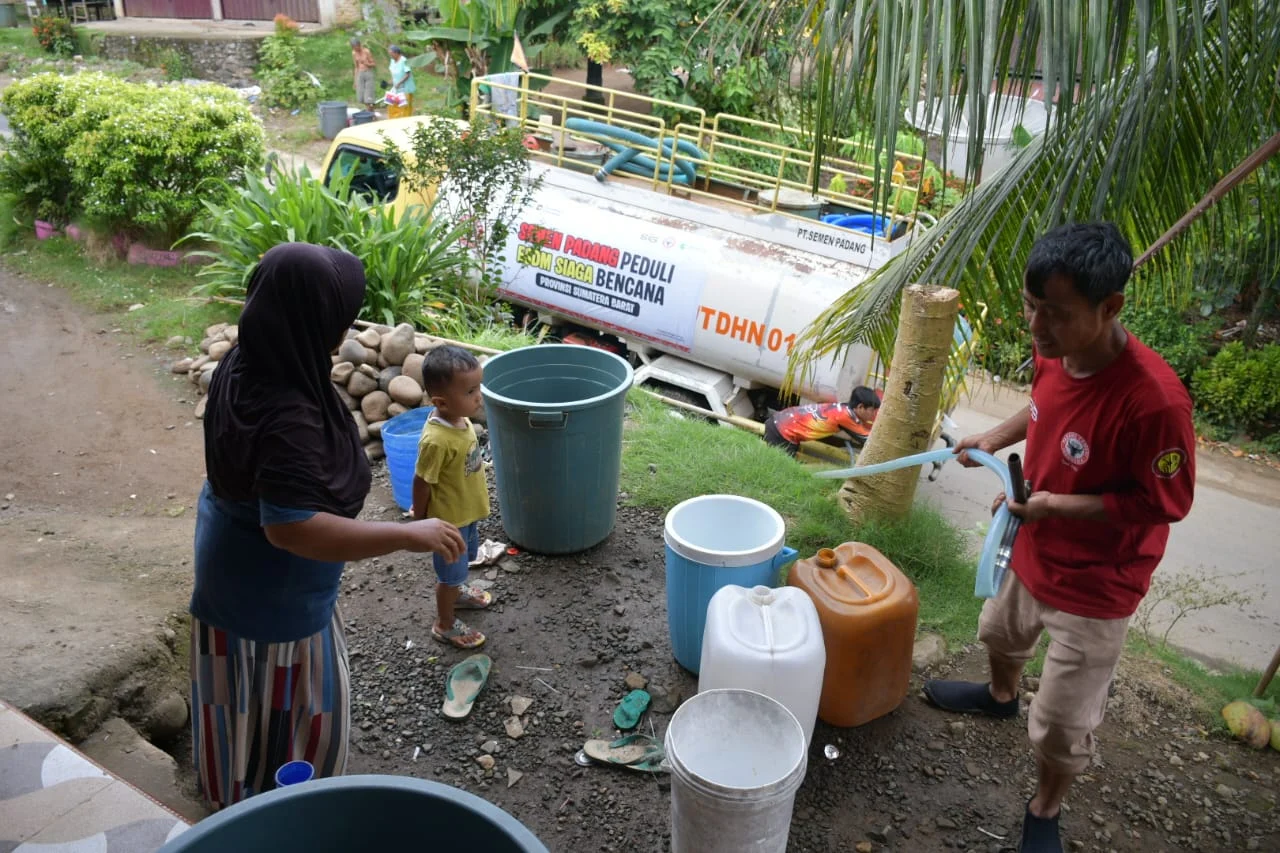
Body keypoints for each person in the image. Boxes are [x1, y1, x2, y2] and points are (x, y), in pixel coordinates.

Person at [925, 223, 1195, 853]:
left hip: (1098, 583)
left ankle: (1044, 810)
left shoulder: (1155, 403)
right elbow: (1045, 403)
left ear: (1111, 308)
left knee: (1060, 726)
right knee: (1000, 632)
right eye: (1031, 306)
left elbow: (1164, 503)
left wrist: (1051, 505)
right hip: (1032, 538)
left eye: (1056, 315)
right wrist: (993, 440)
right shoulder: (1057, 347)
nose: (1038, 331)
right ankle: (998, 697)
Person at [190, 243, 466, 811]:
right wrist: (406, 534)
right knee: (291, 727)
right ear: (316, 325)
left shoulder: (250, 360)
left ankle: (234, 800)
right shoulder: (287, 409)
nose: (345, 329)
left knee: (236, 708)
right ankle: (279, 817)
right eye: (341, 316)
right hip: (272, 596)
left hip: (230, 571)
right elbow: (291, 529)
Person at [412, 345, 494, 650]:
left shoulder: (461, 419)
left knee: (464, 562)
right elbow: (422, 481)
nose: (478, 397)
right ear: (441, 402)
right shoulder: (436, 439)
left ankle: (457, 593)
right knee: (448, 574)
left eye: (478, 388)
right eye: (471, 391)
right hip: (449, 522)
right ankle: (444, 623)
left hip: (466, 512)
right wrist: (419, 518)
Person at [762, 385, 880, 457]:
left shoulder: (843, 408)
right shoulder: (845, 417)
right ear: (860, 407)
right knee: (781, 472)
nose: (874, 414)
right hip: (783, 433)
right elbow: (868, 440)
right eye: (872, 410)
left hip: (780, 424)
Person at [388, 45, 415, 115]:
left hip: (405, 88)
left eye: (391, 54)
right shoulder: (392, 61)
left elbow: (407, 74)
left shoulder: (404, 60)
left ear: (396, 53)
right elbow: (393, 72)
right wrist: (392, 81)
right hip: (396, 88)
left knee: (404, 107)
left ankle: (406, 121)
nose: (391, 56)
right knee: (393, 105)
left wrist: (399, 83)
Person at [350, 37, 377, 109]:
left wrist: (367, 64)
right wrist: (355, 81)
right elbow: (356, 67)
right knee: (360, 96)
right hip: (360, 74)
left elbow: (374, 64)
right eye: (354, 48)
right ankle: (370, 109)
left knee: (368, 96)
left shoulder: (366, 51)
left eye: (357, 47)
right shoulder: (354, 53)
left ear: (360, 45)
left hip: (368, 73)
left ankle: (370, 112)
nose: (356, 49)